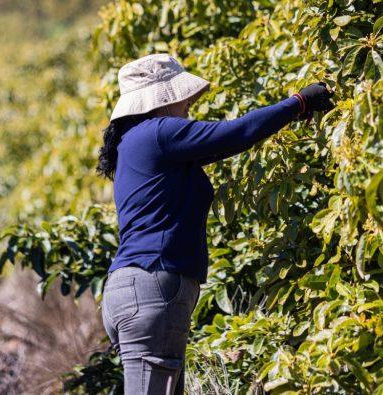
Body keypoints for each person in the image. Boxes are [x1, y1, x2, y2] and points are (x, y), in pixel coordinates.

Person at [96, 52, 335, 394]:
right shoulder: (158, 132)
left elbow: (225, 145)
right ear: (161, 99)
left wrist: (290, 113)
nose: (189, 105)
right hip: (152, 286)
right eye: (183, 98)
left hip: (130, 289)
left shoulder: (135, 142)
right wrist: (298, 102)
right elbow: (236, 133)